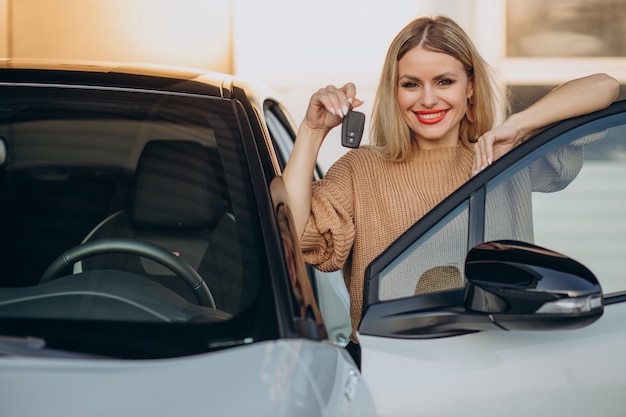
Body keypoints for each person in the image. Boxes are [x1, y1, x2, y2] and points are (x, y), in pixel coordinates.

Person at [281, 15, 619, 366]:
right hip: (393, 372)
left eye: (444, 81)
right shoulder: (360, 169)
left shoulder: (503, 155)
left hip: (503, 365)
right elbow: (293, 235)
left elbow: (604, 86)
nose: (428, 99)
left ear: (470, 86)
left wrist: (517, 127)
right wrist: (312, 130)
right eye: (411, 84)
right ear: (394, 92)